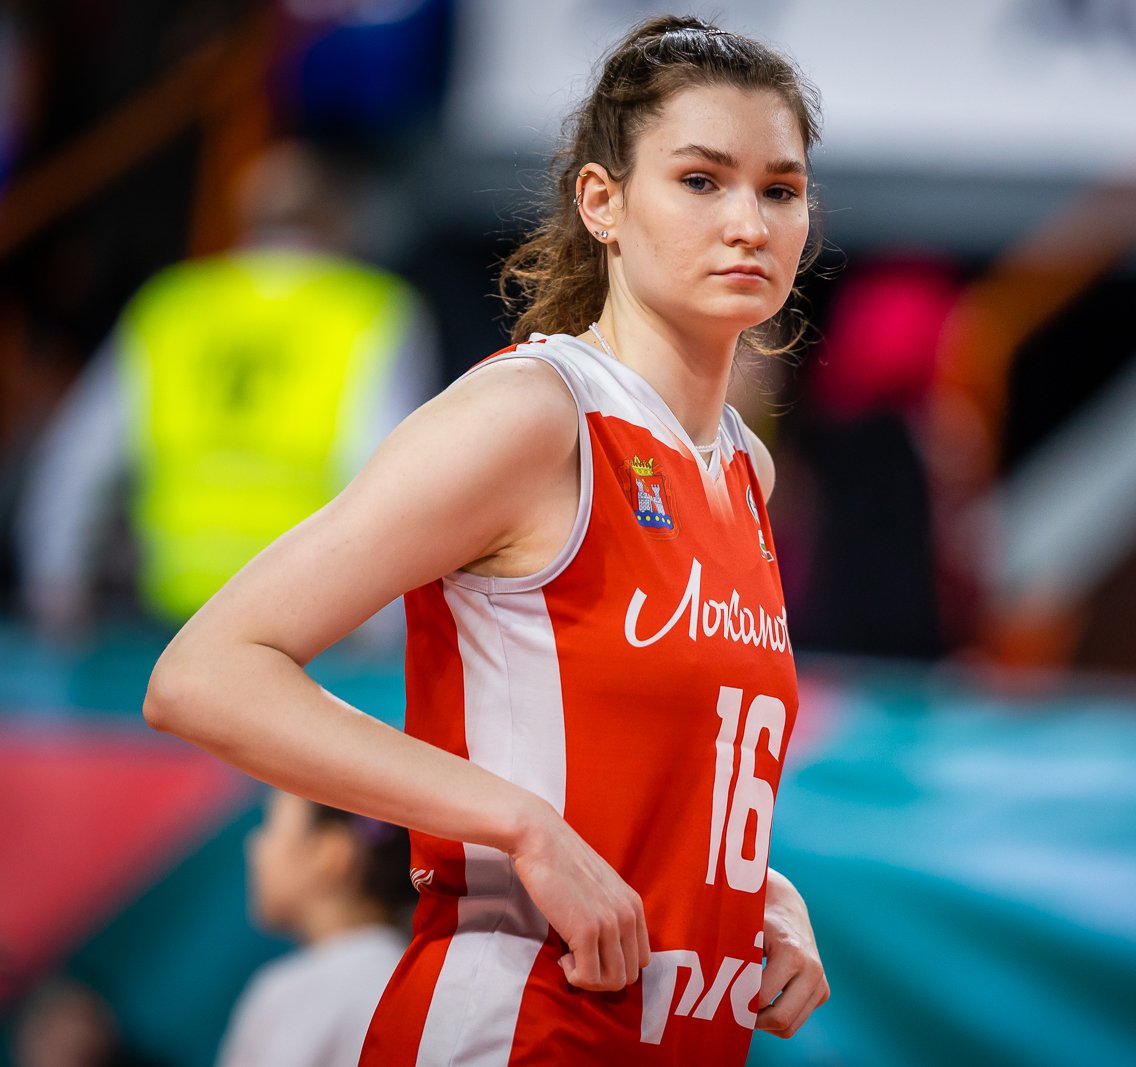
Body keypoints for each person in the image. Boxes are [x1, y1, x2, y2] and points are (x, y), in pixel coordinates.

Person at [143, 14, 829, 1066]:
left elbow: (640, 779)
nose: (748, 221)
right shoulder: (535, 414)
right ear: (602, 202)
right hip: (507, 1034)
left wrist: (748, 893)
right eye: (701, 180)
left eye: (779, 189)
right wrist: (517, 825)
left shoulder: (745, 468)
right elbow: (204, 675)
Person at [14, 139, 436, 639]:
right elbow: (382, 466)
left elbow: (80, 459)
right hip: (312, 617)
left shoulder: (174, 305)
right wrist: (385, 628)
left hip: (176, 614)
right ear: (338, 216)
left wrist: (57, 589)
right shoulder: (373, 309)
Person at [215, 790, 413, 1067]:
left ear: (328, 855)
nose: (254, 844)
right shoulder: (410, 980)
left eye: (271, 826)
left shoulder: (286, 993)